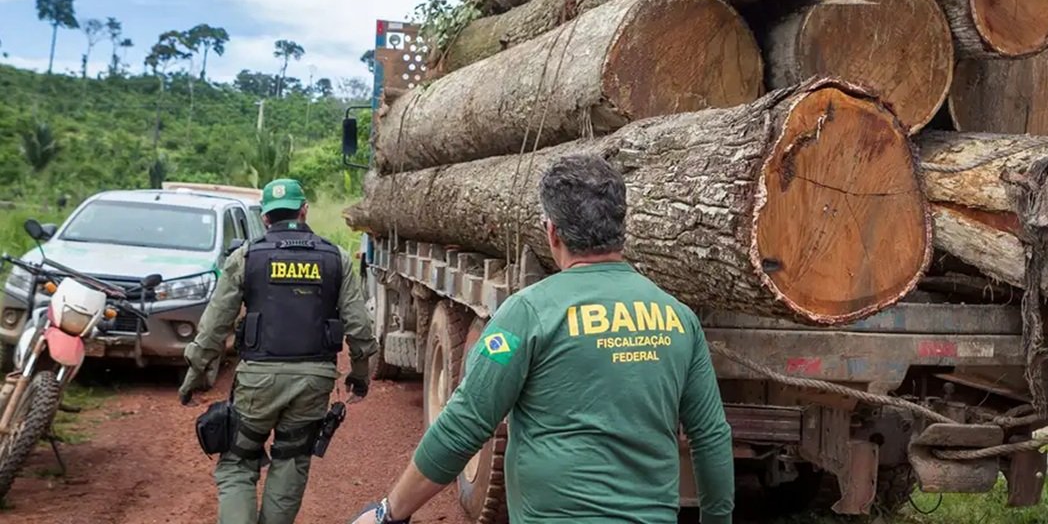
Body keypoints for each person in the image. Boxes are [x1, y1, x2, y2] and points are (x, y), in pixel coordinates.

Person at [351, 154, 734, 524]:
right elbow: (711, 436)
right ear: (622, 226)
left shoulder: (527, 314)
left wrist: (389, 512)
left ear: (552, 231)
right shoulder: (679, 319)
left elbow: (465, 424)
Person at [179, 178, 377, 524]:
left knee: (238, 460)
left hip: (258, 379)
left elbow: (214, 327)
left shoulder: (246, 257)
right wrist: (359, 376)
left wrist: (194, 376)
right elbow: (360, 328)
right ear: (304, 211)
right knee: (291, 458)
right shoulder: (336, 258)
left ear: (265, 219)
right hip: (314, 381)